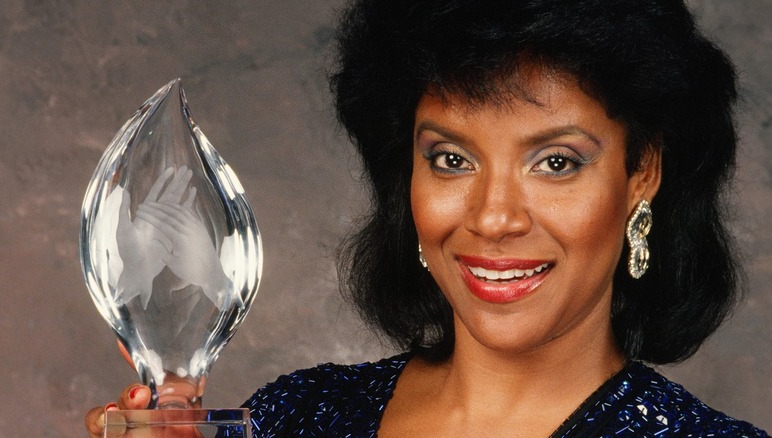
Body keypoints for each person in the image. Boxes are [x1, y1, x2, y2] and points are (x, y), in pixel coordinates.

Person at [86, 0, 769, 436]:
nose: (494, 217)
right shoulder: (296, 417)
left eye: (556, 162)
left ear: (642, 171)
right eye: (450, 159)